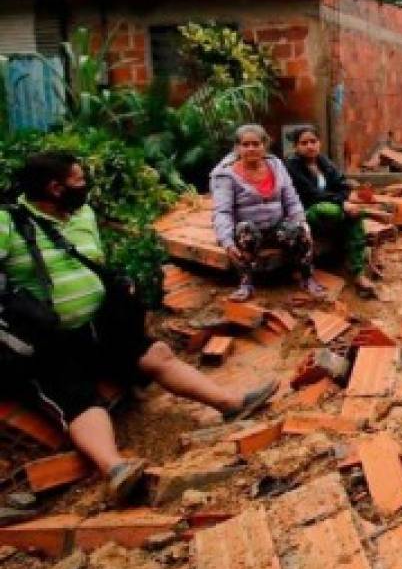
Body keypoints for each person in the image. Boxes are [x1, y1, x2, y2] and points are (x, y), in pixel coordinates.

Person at [0, 152, 277, 504]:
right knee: (77, 397)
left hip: (99, 326)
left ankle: (230, 403)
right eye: (79, 180)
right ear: (55, 188)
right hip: (49, 342)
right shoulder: (10, 223)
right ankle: (115, 469)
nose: (85, 186)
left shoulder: (82, 215)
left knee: (155, 353)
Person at [210, 124, 326, 302]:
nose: (251, 149)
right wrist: (226, 241)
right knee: (245, 230)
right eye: (245, 144)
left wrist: (302, 223)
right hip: (248, 231)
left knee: (301, 232)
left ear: (264, 146)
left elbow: (291, 198)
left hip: (275, 227)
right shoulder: (227, 175)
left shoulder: (276, 165)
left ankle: (307, 279)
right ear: (237, 148)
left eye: (256, 144)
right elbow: (222, 212)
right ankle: (245, 284)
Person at [284, 125, 379, 298]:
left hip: (333, 209)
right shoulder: (292, 166)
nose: (310, 146)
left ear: (319, 143)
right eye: (304, 143)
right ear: (296, 147)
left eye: (313, 141)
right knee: (332, 210)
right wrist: (343, 203)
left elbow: (342, 185)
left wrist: (343, 201)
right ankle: (345, 217)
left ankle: (358, 274)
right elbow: (311, 193)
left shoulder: (323, 162)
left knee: (355, 217)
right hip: (307, 211)